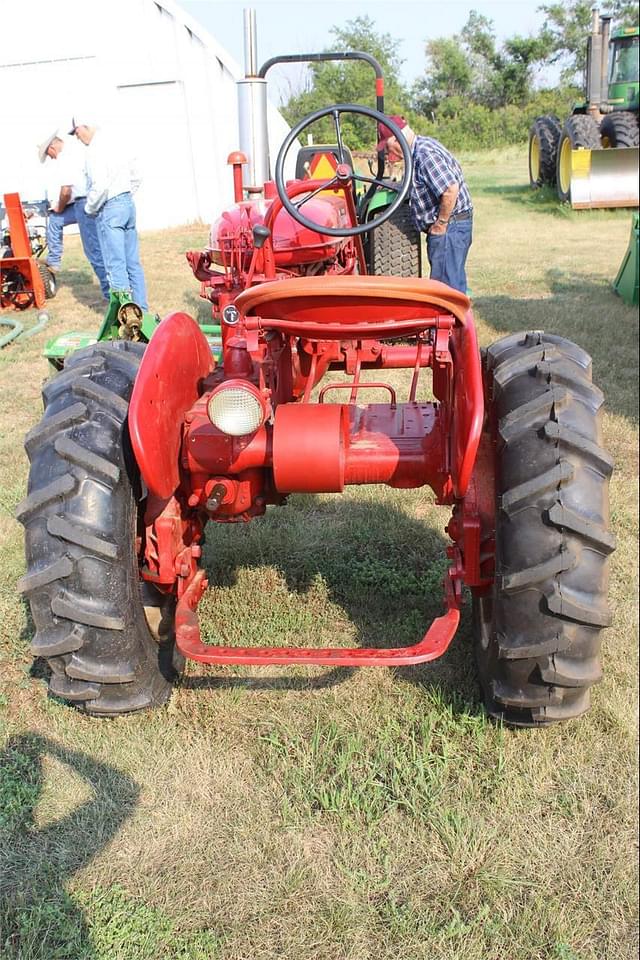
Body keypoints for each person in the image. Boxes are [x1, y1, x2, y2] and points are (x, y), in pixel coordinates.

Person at [376, 116, 473, 294]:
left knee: (445, 290)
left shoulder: (424, 154)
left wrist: (441, 224)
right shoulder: (420, 149)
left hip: (450, 228)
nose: (388, 153)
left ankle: (452, 321)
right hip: (452, 227)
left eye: (388, 147)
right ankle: (461, 319)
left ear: (397, 139)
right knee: (454, 283)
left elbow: (450, 189)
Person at [69, 115, 148, 309]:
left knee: (115, 265)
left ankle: (126, 317)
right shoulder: (117, 143)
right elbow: (137, 175)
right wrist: (125, 196)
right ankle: (142, 312)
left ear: (84, 126)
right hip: (127, 203)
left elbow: (100, 185)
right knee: (133, 264)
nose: (78, 138)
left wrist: (89, 208)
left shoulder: (94, 150)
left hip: (110, 208)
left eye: (77, 132)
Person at [37, 129, 109, 300]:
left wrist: (60, 207)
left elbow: (66, 190)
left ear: (52, 147)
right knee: (55, 220)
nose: (51, 157)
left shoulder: (64, 158)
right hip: (81, 202)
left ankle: (109, 294)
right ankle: (53, 260)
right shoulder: (75, 153)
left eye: (49, 154)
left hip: (84, 204)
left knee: (94, 251)